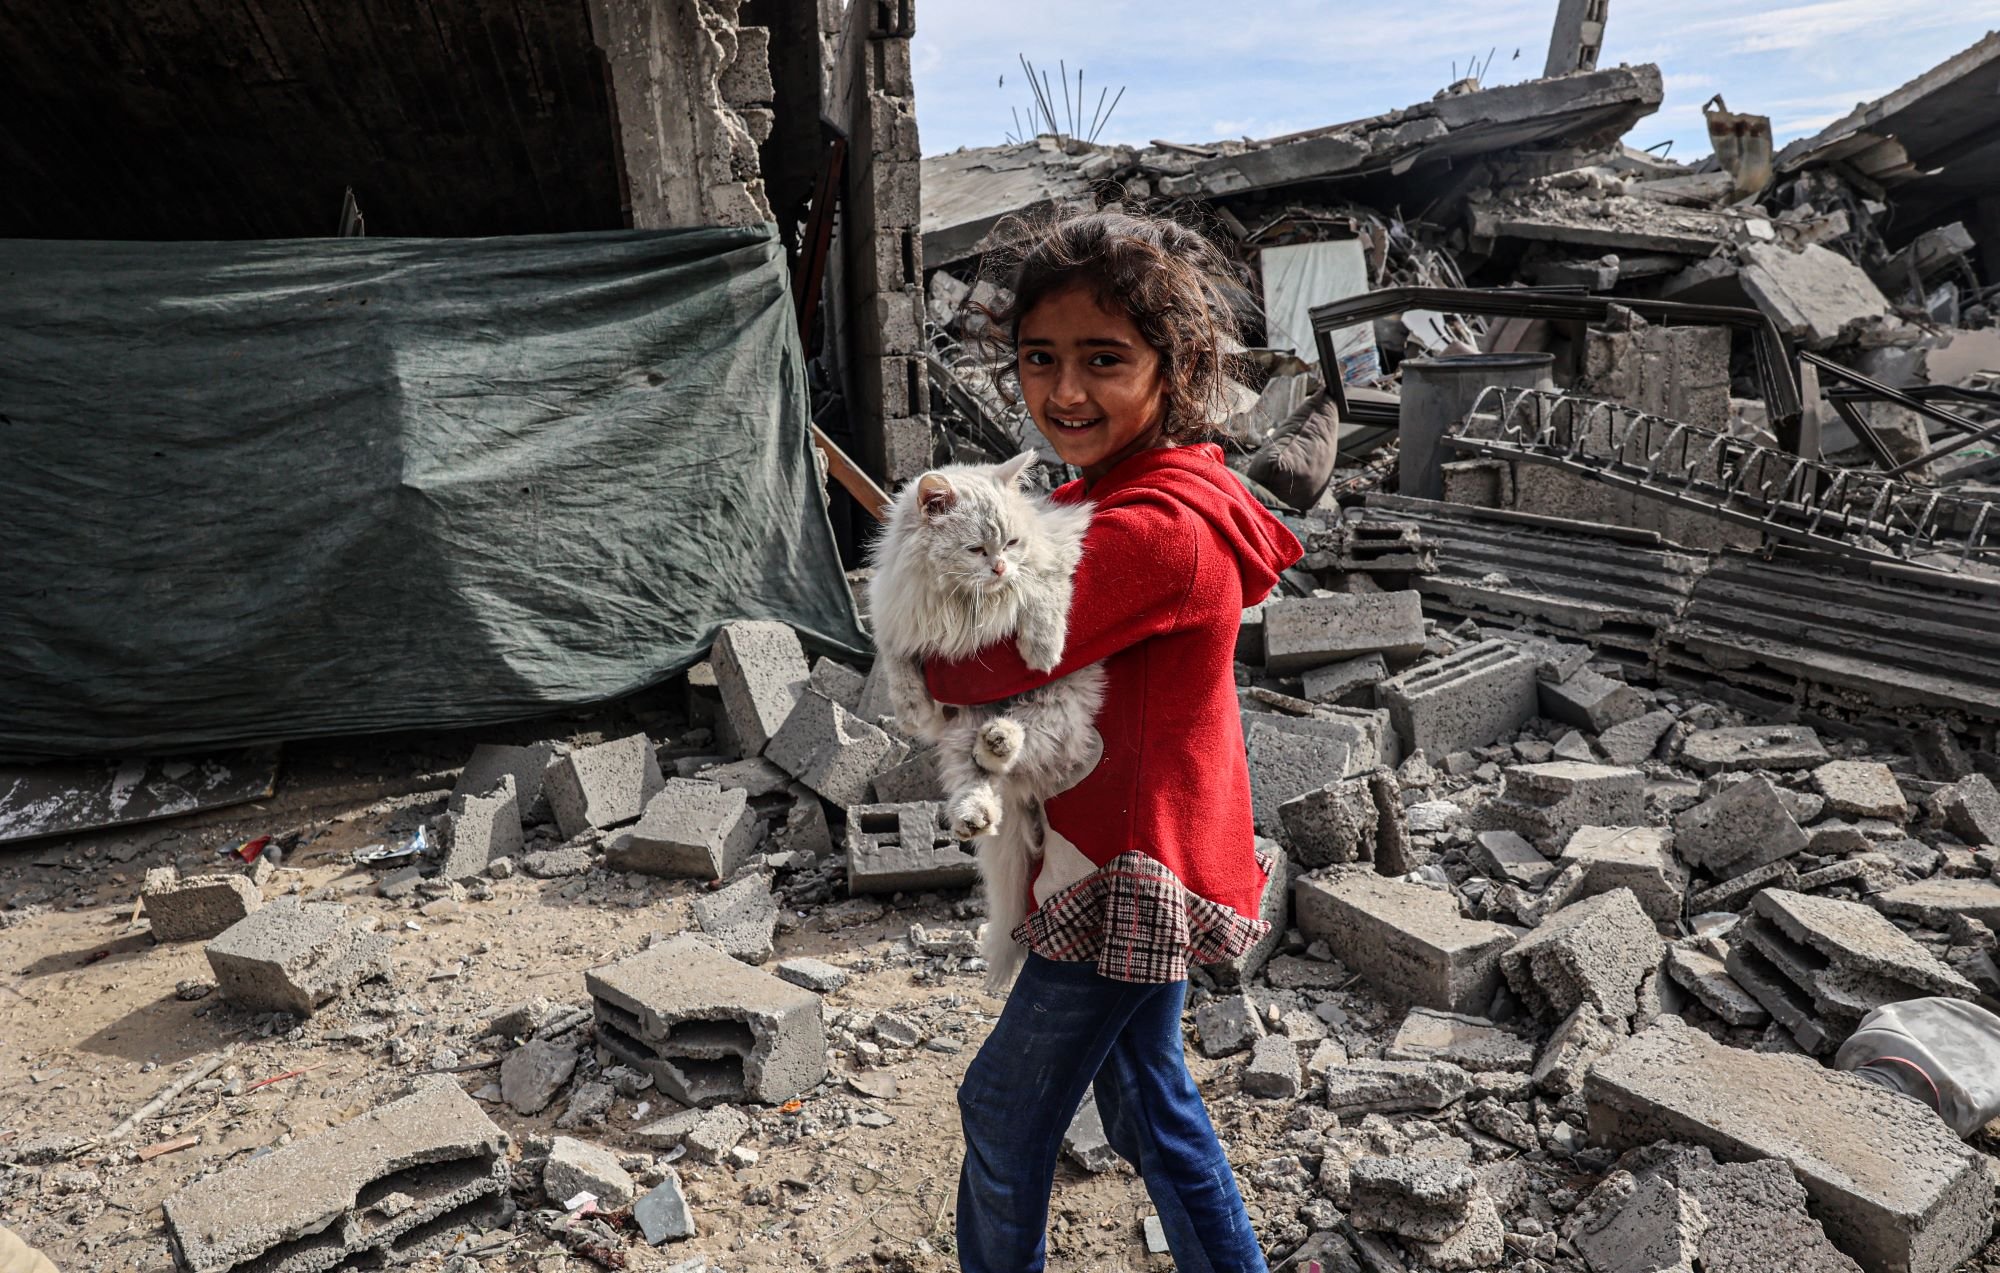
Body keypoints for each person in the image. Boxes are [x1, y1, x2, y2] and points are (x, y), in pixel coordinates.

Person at [926, 208, 1302, 1273]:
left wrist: (927, 618)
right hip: (1143, 846)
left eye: (1103, 359)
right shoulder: (1126, 492)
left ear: (1171, 367)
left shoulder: (1151, 529)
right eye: (1038, 358)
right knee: (1148, 1100)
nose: (1063, 391)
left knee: (1001, 1109)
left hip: (1123, 877)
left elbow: (973, 665)